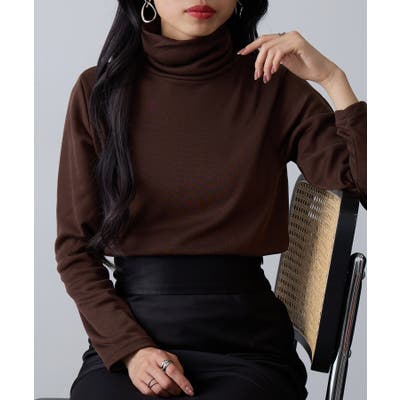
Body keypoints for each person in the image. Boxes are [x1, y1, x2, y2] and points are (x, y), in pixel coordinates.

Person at [54, 1, 367, 399]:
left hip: (247, 346)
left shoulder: (272, 85)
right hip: (134, 339)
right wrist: (131, 349)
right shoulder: (98, 91)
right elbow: (75, 249)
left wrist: (333, 79)